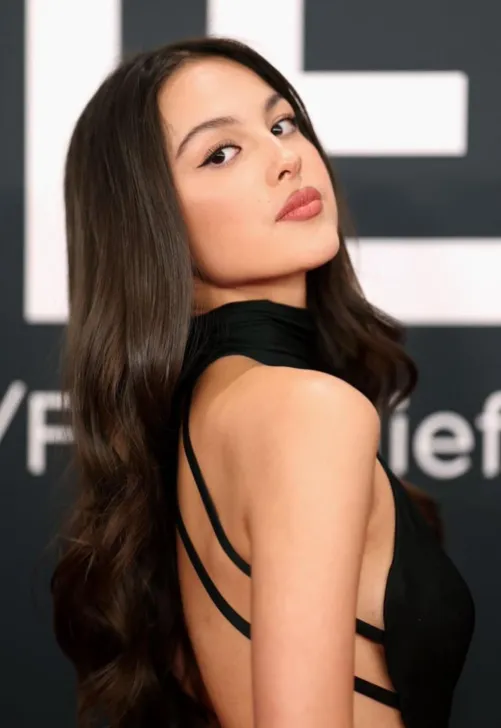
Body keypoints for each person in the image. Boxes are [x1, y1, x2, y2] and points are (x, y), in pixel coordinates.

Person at [50, 36, 475, 728]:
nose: (286, 157)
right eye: (220, 152)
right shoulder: (305, 411)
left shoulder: (212, 412)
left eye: (282, 124)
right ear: (150, 223)